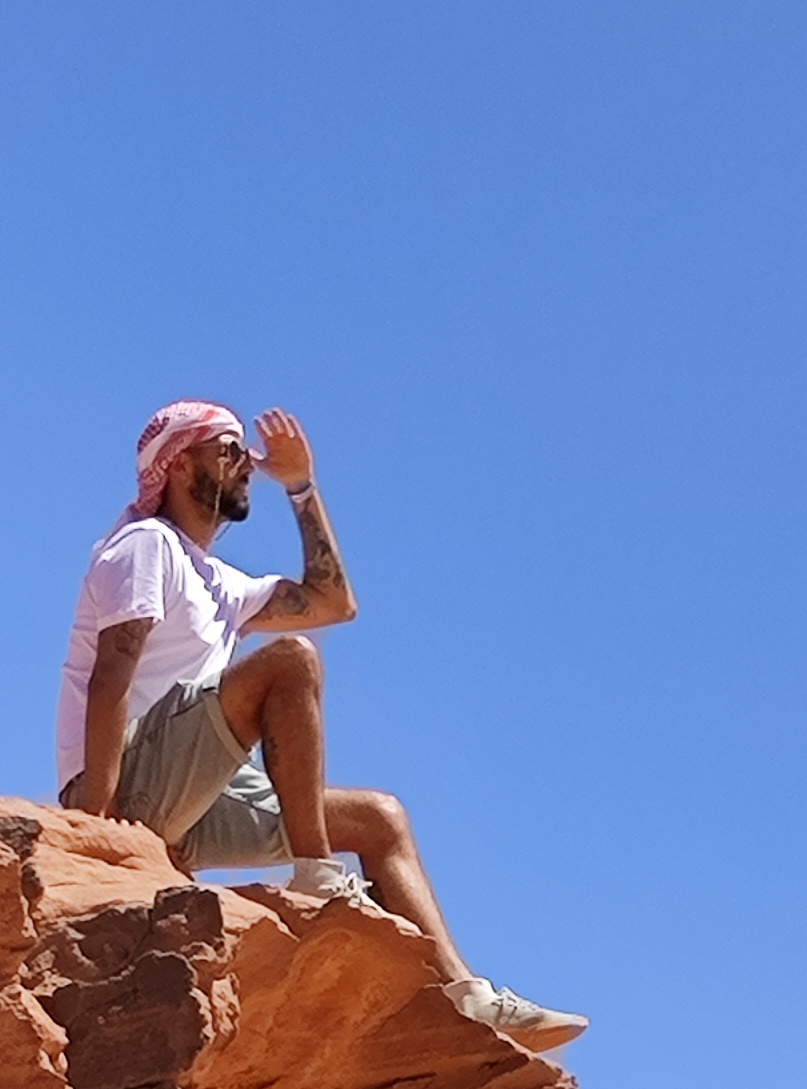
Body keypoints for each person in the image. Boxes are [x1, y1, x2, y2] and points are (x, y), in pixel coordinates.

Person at [56, 399, 584, 1049]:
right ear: (177, 462)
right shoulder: (145, 546)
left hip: (185, 798)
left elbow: (336, 603)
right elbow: (112, 674)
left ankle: (464, 997)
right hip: (124, 783)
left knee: (379, 819)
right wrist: (94, 827)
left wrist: (301, 487)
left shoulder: (221, 584)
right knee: (289, 663)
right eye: (227, 449)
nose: (246, 462)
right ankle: (319, 879)